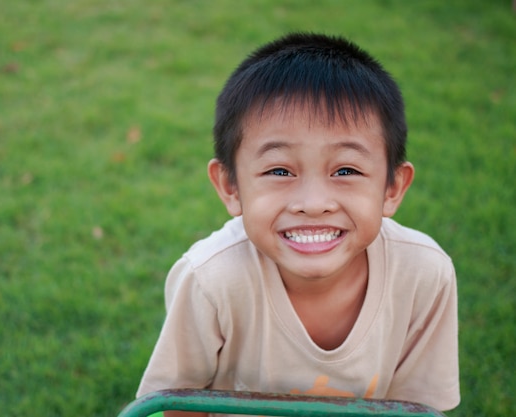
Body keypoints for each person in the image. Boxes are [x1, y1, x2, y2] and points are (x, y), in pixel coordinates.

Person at [136, 32, 460, 414]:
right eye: (279, 170)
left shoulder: (423, 274)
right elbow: (177, 405)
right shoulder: (211, 280)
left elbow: (414, 410)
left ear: (392, 187)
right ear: (230, 186)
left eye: (345, 169)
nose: (313, 204)